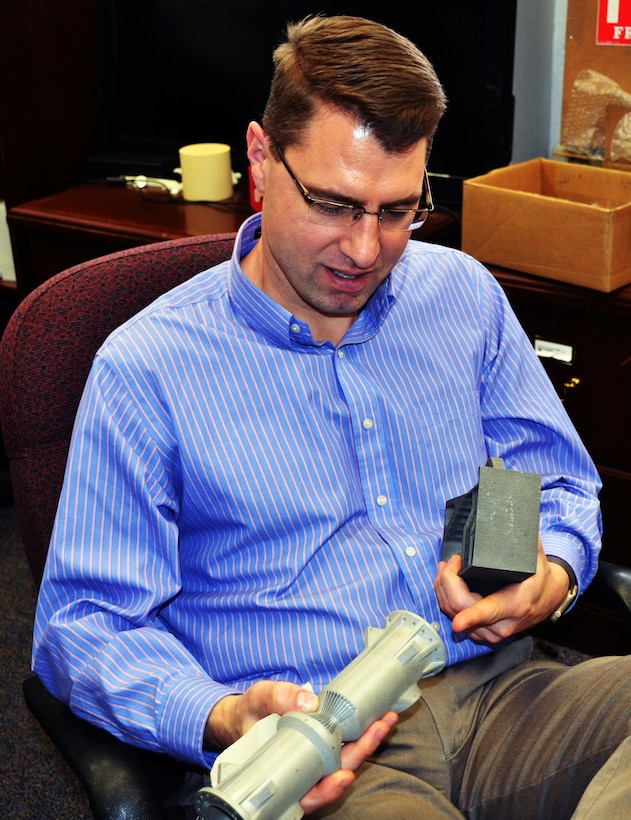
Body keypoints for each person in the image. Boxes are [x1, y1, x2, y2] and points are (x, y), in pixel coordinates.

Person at [33, 14, 631, 819]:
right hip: (324, 747)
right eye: (334, 204)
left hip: (505, 695)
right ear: (259, 158)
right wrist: (221, 716)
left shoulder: (459, 295)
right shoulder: (148, 370)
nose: (363, 249)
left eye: (396, 211)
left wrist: (551, 569)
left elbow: (554, 476)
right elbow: (83, 628)